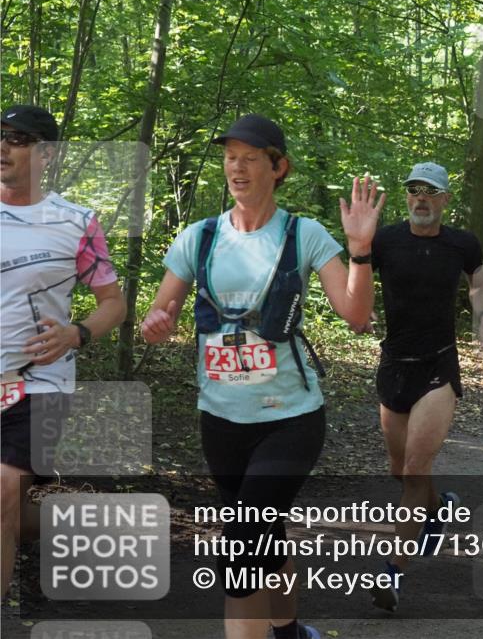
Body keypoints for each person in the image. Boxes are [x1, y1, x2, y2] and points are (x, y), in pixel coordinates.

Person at [141, 114, 384, 639]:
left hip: (291, 418)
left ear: (279, 167)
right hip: (221, 418)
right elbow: (161, 313)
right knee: (264, 532)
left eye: (250, 157)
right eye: (231, 156)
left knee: (243, 541)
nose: (237, 166)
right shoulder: (198, 238)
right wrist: (157, 323)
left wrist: (361, 249)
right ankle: (291, 630)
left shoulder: (305, 235)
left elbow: (356, 314)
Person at [1, 104, 126, 595]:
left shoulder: (77, 222)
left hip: (38, 379)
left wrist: (77, 333)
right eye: (0, 136)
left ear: (46, 152)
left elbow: (112, 303)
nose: (4, 146)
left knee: (5, 491)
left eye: (18, 137)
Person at [367, 161, 483, 612]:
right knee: (401, 472)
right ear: (406, 197)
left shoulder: (461, 243)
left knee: (416, 468)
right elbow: (359, 275)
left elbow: (479, 280)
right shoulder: (385, 240)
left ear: (444, 199)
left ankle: (392, 574)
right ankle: (439, 507)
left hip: (439, 367)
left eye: (430, 192)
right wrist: (359, 309)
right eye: (413, 191)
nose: (420, 198)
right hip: (394, 364)